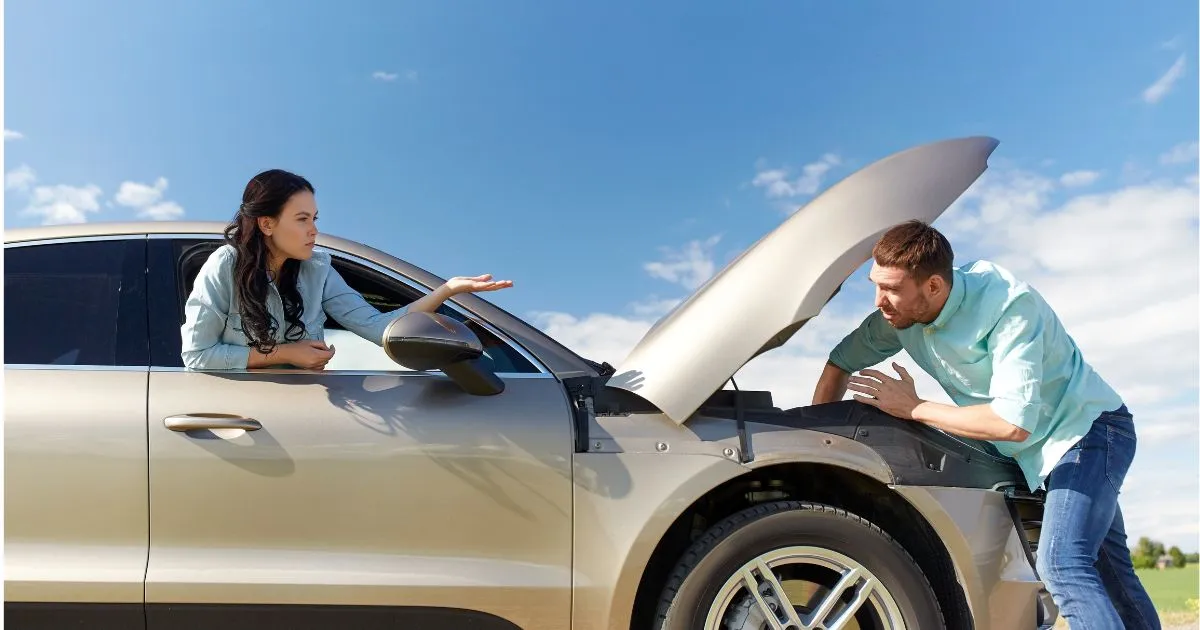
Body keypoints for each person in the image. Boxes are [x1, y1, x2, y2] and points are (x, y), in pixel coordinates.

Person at [812, 220, 1160, 629]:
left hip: (1089, 431)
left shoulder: (1009, 307)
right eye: (876, 285)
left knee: (1062, 564)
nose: (879, 301)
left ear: (934, 287)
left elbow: (1013, 424)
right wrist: (824, 447)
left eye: (891, 289)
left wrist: (915, 407)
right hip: (1038, 454)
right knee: (1113, 576)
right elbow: (839, 363)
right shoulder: (899, 318)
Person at [181, 168, 512, 371]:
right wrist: (285, 354)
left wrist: (447, 290)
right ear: (267, 224)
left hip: (308, 413)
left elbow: (379, 328)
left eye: (314, 219)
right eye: (302, 219)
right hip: (245, 417)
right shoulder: (226, 264)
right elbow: (197, 355)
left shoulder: (318, 270)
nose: (314, 230)